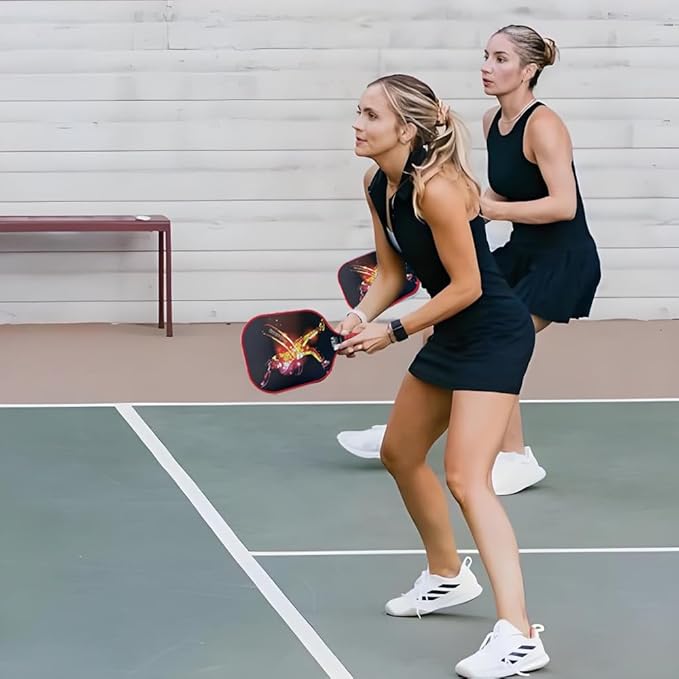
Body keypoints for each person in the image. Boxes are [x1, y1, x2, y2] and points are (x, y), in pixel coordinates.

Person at [337, 73, 549, 678]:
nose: (357, 124)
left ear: (406, 128)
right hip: (452, 330)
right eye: (359, 111)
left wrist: (394, 332)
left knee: (467, 478)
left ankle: (520, 635)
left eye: (371, 115)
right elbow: (390, 272)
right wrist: (360, 317)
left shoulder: (439, 189)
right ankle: (448, 574)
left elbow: (469, 285)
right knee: (400, 452)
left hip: (493, 333)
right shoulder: (379, 185)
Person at [337, 24, 601, 498]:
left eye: (500, 59)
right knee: (448, 326)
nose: (487, 67)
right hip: (522, 251)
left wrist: (490, 210)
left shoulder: (544, 124)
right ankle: (404, 428)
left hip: (563, 259)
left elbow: (564, 205)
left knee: (497, 337)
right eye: (486, 56)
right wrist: (465, 203)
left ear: (529, 70)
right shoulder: (491, 121)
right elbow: (501, 190)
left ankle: (516, 456)